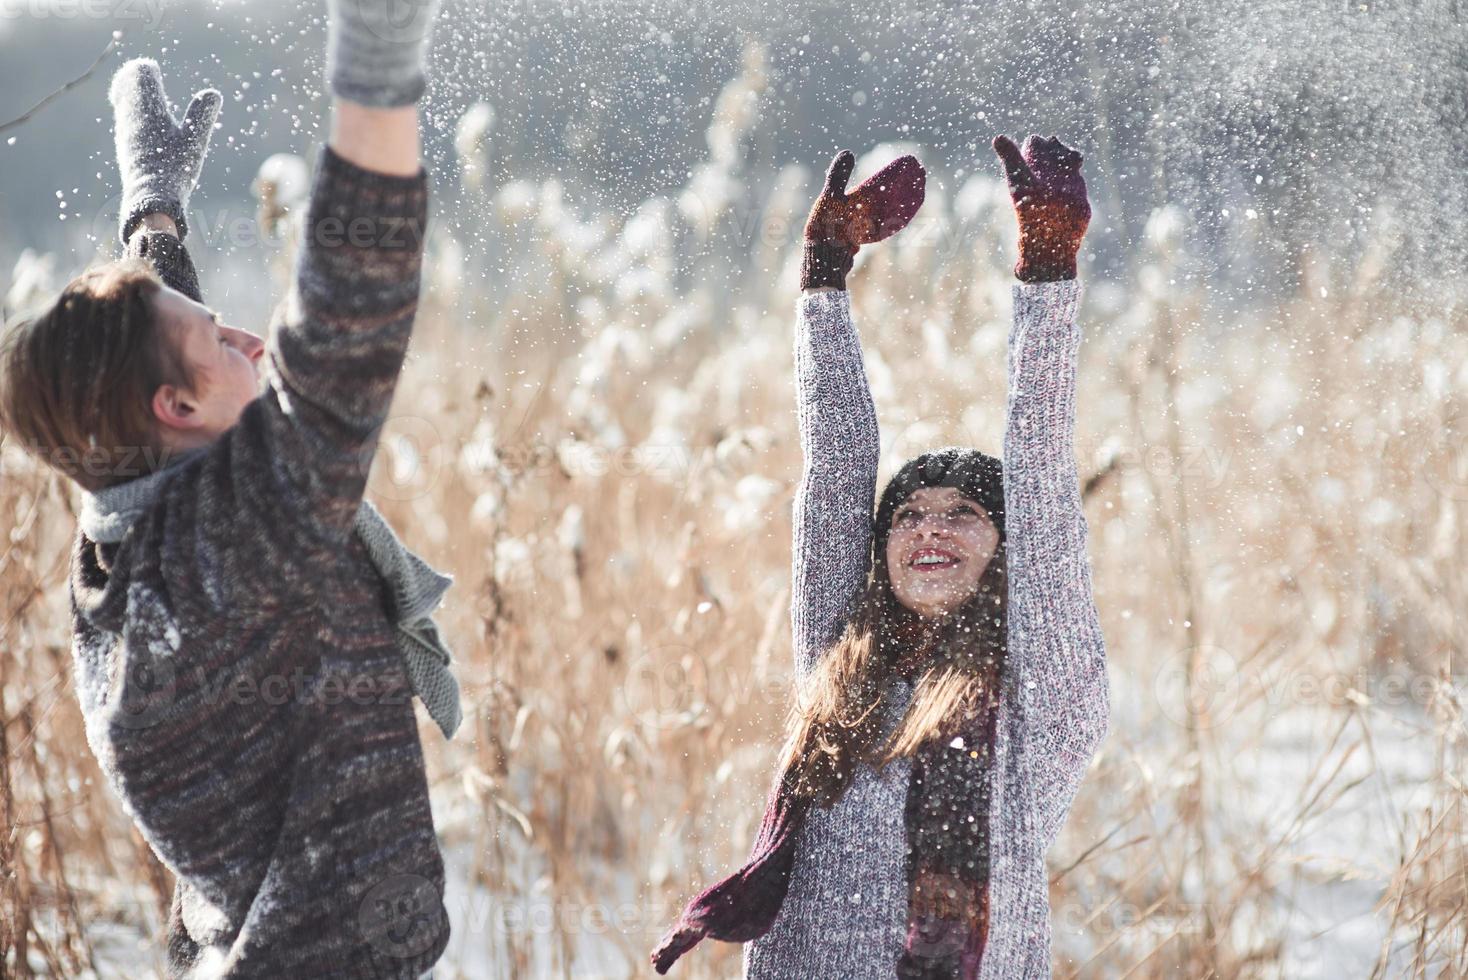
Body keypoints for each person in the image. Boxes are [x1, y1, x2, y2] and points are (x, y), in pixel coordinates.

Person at [0, 1, 459, 975]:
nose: (251, 339)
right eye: (221, 341)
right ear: (170, 405)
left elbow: (160, 367)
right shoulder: (231, 555)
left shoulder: (124, 529)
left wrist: (153, 216)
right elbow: (347, 312)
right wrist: (375, 61)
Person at [651, 135, 1109, 979]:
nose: (930, 528)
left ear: (1009, 554)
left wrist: (1048, 280)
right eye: (909, 516)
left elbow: (1041, 478)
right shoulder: (841, 661)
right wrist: (824, 278)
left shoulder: (1039, 696)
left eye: (965, 513)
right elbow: (836, 469)